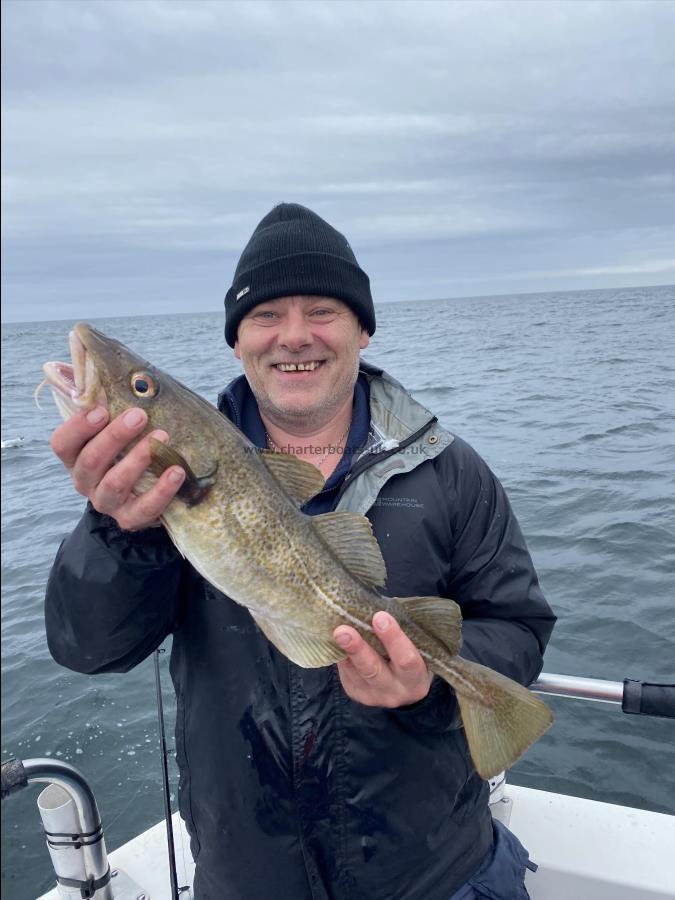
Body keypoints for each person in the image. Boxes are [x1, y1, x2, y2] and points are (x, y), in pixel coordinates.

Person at [45, 203, 556, 900]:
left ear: (361, 328)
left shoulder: (450, 471)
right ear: (235, 341)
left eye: (322, 310)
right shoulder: (159, 495)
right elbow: (88, 650)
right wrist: (116, 529)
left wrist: (428, 685)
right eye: (264, 315)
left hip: (438, 875)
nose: (293, 336)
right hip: (247, 878)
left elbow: (519, 628)